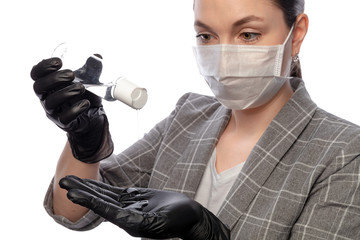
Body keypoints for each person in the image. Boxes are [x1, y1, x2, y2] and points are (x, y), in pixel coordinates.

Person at [31, 0, 360, 239]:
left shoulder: (345, 152)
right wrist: (84, 146)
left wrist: (209, 233)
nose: (223, 57)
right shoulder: (188, 116)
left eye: (247, 34)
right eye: (206, 36)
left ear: (297, 33)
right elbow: (74, 212)